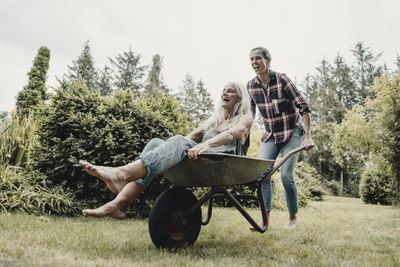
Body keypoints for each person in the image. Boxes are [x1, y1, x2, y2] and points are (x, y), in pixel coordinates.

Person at [79, 82, 252, 219]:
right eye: (223, 90)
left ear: (239, 98)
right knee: (156, 143)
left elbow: (233, 134)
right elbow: (189, 138)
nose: (224, 93)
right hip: (201, 162)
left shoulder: (245, 118)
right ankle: (119, 204)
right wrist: (170, 149)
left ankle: (121, 175)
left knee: (178, 142)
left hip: (222, 164)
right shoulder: (214, 121)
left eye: (230, 91)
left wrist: (206, 144)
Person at [247, 47, 315, 229]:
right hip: (270, 134)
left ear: (268, 60)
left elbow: (303, 106)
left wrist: (307, 136)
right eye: (252, 59)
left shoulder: (282, 79)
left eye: (258, 58)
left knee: (286, 175)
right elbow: (250, 114)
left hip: (292, 131)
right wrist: (242, 131)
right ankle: (265, 220)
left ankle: (293, 218)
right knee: (262, 175)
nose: (254, 62)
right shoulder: (251, 86)